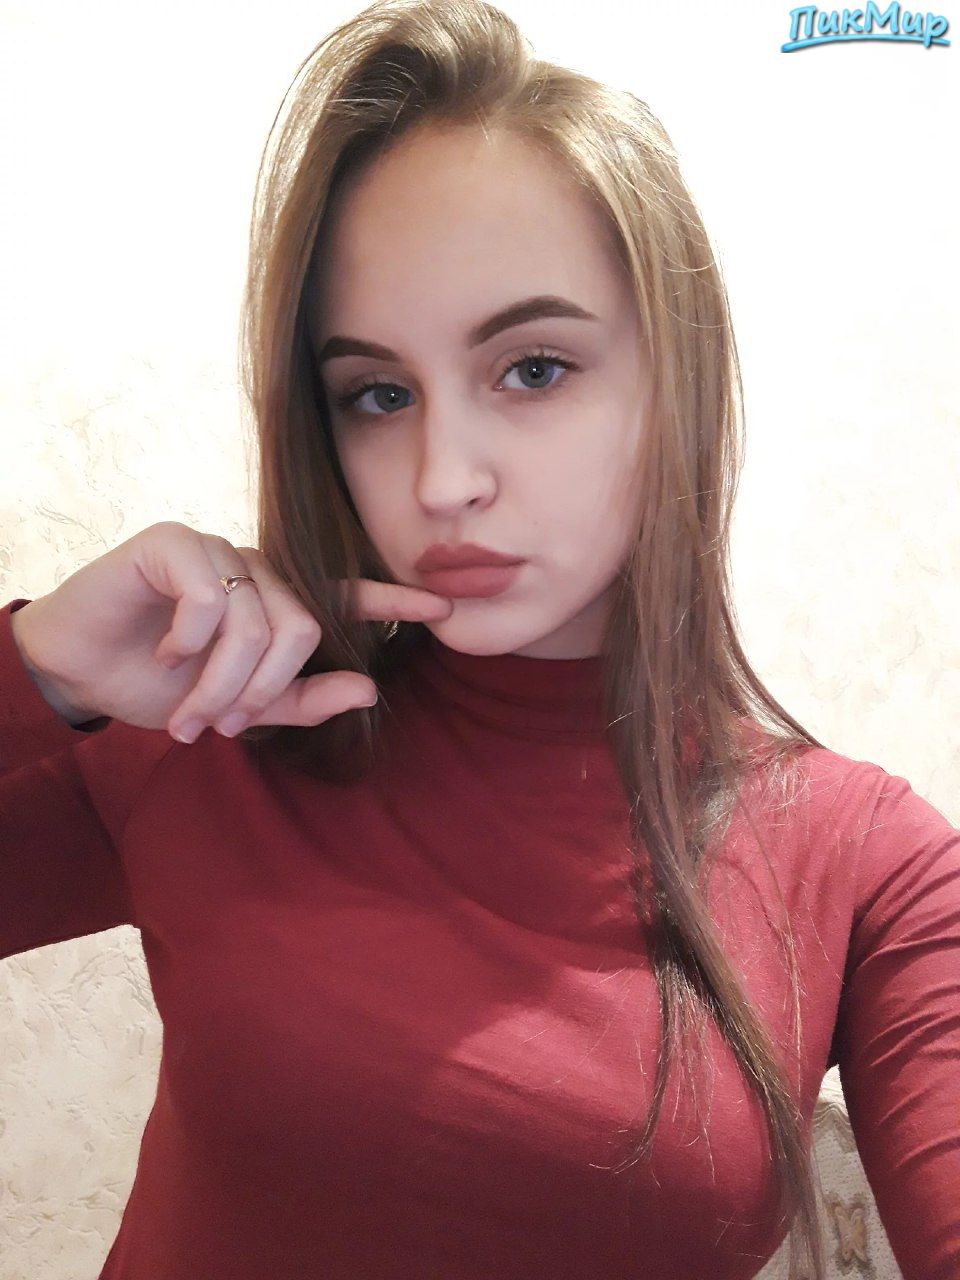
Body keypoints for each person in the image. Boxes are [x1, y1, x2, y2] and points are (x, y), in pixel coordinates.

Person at [2, 1, 958, 1277]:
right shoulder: (218, 715)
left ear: (673, 382)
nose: (443, 478)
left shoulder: (866, 860)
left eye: (533, 368)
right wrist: (40, 672)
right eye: (377, 393)